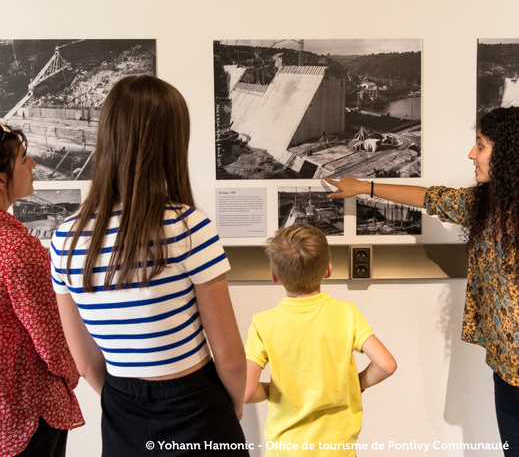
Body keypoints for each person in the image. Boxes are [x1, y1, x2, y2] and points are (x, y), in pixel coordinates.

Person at [50, 75, 249, 457]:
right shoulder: (188, 226)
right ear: (172, 141)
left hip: (122, 408)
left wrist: (129, 400)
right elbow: (230, 359)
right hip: (195, 404)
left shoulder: (66, 240)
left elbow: (87, 362)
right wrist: (234, 405)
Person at [324, 106, 519, 456]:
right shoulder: (483, 204)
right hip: (506, 369)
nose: (472, 154)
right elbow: (429, 197)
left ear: (507, 154)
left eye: (481, 146)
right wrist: (363, 186)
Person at [244, 223, 397, 456]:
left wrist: (271, 391)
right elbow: (386, 365)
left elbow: (245, 392)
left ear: (274, 275)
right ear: (328, 270)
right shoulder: (347, 313)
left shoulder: (263, 323)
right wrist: (357, 384)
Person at [0, 122, 84, 457]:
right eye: (23, 159)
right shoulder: (18, 248)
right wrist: (75, 373)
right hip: (28, 409)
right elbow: (52, 337)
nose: (33, 164)